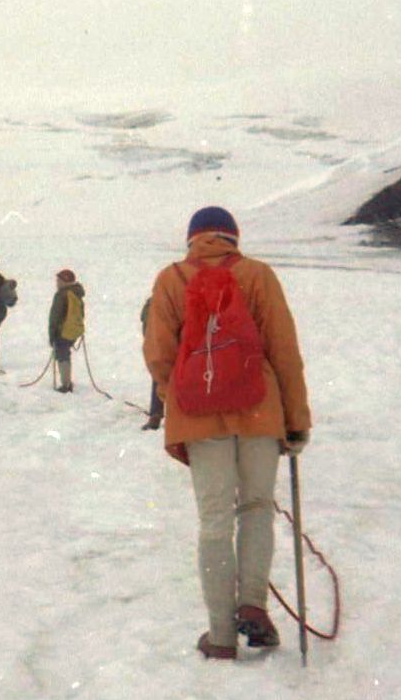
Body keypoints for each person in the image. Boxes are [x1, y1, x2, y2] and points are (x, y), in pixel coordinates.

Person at [143, 206, 312, 662]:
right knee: (256, 506)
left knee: (215, 519)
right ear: (233, 237)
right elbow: (284, 350)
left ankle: (220, 635)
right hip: (259, 408)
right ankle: (253, 605)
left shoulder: (171, 279)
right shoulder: (258, 275)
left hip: (198, 413)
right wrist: (296, 419)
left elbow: (159, 353)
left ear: (192, 238)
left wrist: (178, 396)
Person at [47, 269, 85, 393]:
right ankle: (67, 381)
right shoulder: (76, 293)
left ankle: (66, 385)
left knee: (62, 355)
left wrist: (52, 334)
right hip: (73, 331)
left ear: (65, 281)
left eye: (59, 280)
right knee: (65, 353)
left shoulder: (61, 295)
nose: (57, 283)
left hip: (62, 331)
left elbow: (55, 316)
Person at [140, 297, 163, 430]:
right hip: (180, 348)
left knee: (158, 380)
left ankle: (156, 414)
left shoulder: (153, 302)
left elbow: (146, 325)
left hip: (160, 347)